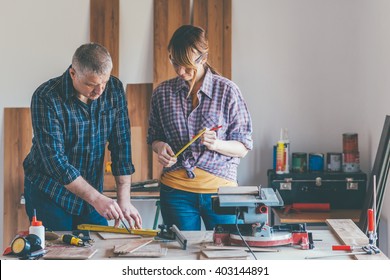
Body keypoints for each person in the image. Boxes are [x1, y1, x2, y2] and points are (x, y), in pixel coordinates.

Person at [23, 43, 142, 231]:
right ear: (73, 74)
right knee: (58, 254)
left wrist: (124, 199)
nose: (99, 91)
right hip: (50, 192)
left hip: (91, 192)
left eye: (104, 83)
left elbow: (122, 144)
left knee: (98, 250)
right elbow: (55, 161)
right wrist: (97, 199)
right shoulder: (46, 97)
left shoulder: (115, 89)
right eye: (91, 84)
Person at [147, 25, 253, 230]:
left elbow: (244, 146)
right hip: (176, 192)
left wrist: (217, 144)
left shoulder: (228, 91)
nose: (180, 71)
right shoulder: (162, 93)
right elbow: (154, 136)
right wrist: (160, 148)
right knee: (182, 256)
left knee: (227, 254)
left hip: (221, 194)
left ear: (203, 58)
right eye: (175, 62)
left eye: (187, 65)